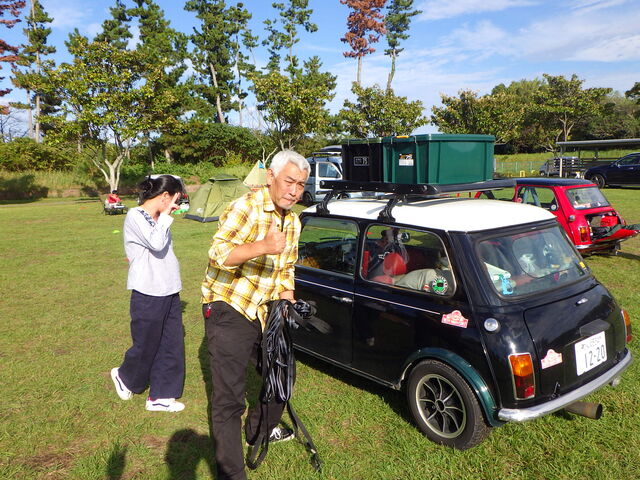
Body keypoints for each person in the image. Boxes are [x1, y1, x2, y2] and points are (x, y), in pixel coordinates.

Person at [201, 150, 310, 480]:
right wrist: (262, 246)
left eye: (301, 185)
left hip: (266, 311)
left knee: (281, 379)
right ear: (271, 177)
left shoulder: (293, 221)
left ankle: (257, 433)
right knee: (229, 399)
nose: (294, 190)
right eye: (289, 181)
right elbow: (218, 254)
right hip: (229, 306)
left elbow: (287, 268)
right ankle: (231, 474)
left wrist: (287, 302)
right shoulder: (246, 207)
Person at [110, 175, 186, 413]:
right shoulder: (136, 215)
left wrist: (164, 217)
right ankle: (124, 376)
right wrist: (166, 217)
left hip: (169, 288)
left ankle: (161, 396)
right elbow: (155, 243)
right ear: (165, 196)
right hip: (147, 290)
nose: (176, 205)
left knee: (172, 343)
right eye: (175, 199)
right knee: (146, 344)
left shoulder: (159, 218)